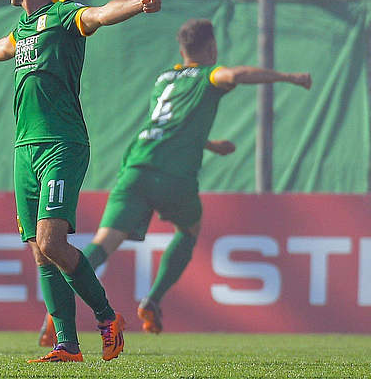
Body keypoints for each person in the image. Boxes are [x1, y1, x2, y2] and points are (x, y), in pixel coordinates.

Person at [39, 19, 311, 342]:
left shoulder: (164, 78)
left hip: (136, 169)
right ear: (211, 48)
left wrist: (209, 144)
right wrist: (289, 77)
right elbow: (235, 75)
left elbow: (168, 125)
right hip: (172, 177)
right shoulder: (209, 74)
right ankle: (152, 299)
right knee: (189, 229)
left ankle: (56, 312)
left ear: (182, 50)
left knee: (103, 243)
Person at [0, 0, 158, 363]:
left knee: (53, 242)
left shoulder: (64, 14)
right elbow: (2, 48)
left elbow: (101, 13)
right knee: (38, 246)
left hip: (62, 144)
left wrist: (138, 5)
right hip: (24, 149)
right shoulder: (24, 29)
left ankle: (108, 318)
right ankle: (67, 346)